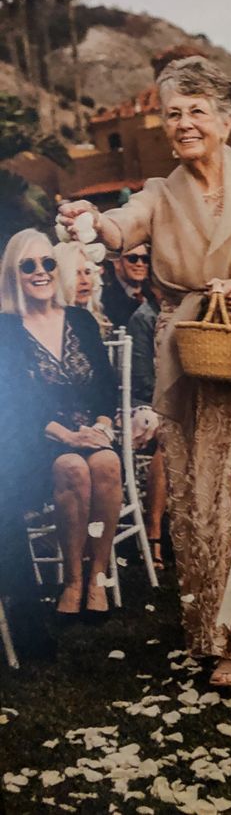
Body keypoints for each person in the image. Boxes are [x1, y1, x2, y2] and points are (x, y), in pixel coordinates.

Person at [58, 55, 231, 687]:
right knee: (202, 499)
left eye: (197, 111)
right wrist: (89, 221)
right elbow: (119, 228)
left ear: (226, 122)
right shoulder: (158, 193)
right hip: (189, 362)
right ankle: (218, 636)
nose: (184, 124)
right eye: (173, 113)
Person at [0, 229, 123, 617]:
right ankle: (72, 579)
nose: (41, 272)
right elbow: (18, 405)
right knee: (72, 467)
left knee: (106, 463)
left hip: (91, 433)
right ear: (13, 275)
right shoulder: (6, 330)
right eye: (28, 265)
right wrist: (68, 436)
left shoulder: (80, 320)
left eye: (48, 263)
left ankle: (97, 576)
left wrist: (102, 427)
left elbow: (106, 386)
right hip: (40, 443)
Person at [128, 281, 167, 572]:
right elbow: (142, 380)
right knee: (169, 438)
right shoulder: (144, 318)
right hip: (146, 405)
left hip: (176, 401)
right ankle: (154, 534)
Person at [54, 240, 110, 334]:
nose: (84, 281)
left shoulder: (101, 321)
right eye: (76, 274)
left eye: (87, 272)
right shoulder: (54, 325)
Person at [102, 244, 150, 329]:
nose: (140, 264)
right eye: (132, 259)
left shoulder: (155, 295)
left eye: (145, 259)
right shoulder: (104, 298)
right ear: (117, 263)